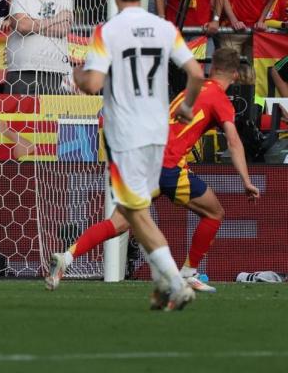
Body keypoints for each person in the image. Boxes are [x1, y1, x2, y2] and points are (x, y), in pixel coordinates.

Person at [48, 48, 259, 293]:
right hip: (167, 165)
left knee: (118, 223)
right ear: (235, 75)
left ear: (211, 69)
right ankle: (189, 273)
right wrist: (246, 180)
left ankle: (67, 257)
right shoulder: (219, 98)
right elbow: (233, 141)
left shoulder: (190, 91)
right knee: (214, 213)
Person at [72, 0, 205, 311]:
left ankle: (176, 284)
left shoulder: (108, 30)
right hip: (158, 130)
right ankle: (164, 283)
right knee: (137, 212)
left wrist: (77, 76)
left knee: (134, 213)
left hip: (126, 133)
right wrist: (188, 106)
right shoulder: (164, 28)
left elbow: (94, 85)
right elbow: (195, 73)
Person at [5, 0, 74, 95]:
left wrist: (33, 23)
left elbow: (62, 30)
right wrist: (56, 19)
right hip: (21, 68)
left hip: (52, 68)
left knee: (48, 116)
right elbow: (22, 26)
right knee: (16, 115)